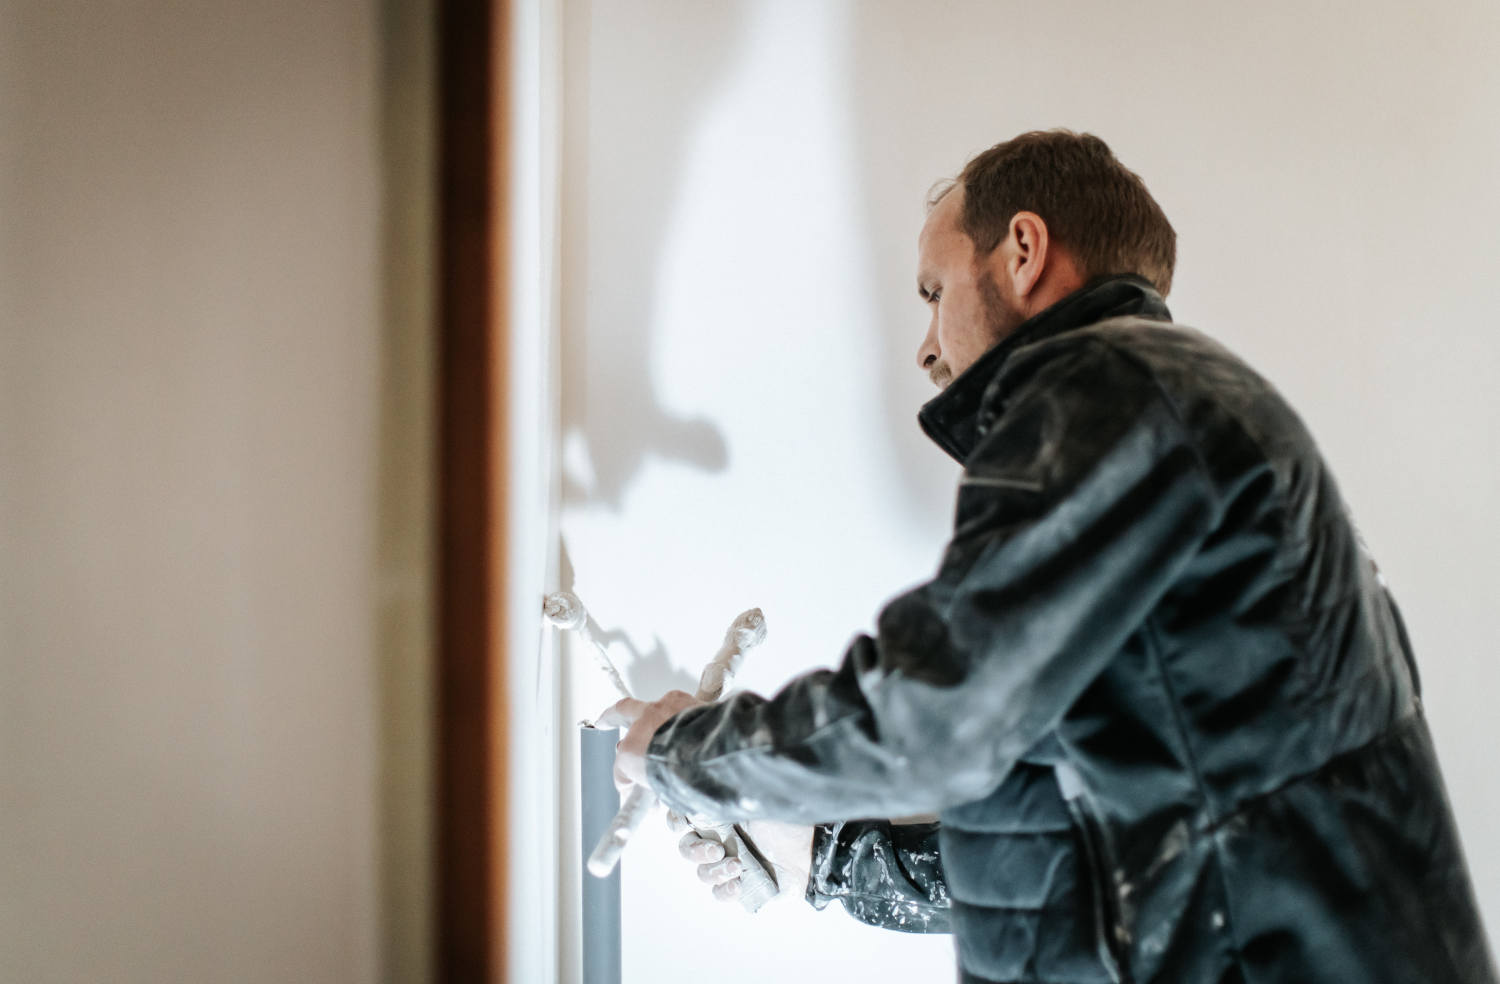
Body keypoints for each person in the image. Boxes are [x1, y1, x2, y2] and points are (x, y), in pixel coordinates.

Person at [599, 130, 1498, 984]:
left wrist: (680, 752)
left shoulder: (1110, 391)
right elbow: (1061, 838)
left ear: (1023, 252)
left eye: (934, 291)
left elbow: (938, 711)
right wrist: (825, 858)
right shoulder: (1170, 420)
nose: (926, 346)